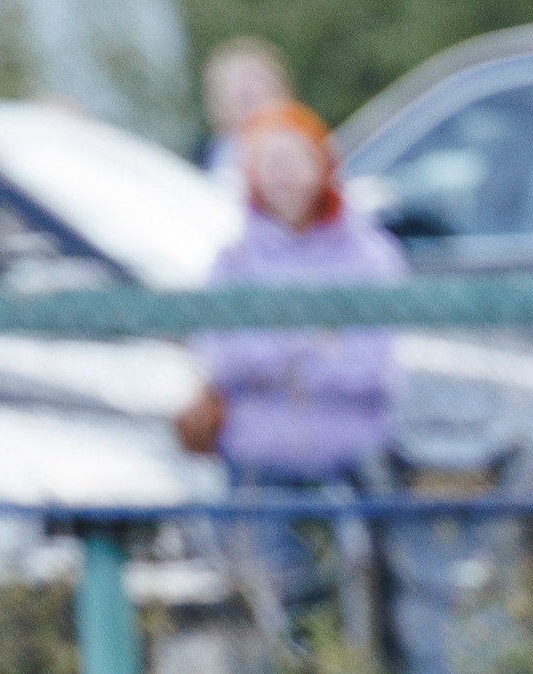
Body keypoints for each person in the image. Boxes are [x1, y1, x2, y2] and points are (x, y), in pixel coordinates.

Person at [188, 100, 406, 627]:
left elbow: (371, 369)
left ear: (323, 167)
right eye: (270, 163)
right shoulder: (233, 259)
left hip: (349, 464)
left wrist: (273, 348)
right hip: (259, 466)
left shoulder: (369, 256)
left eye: (296, 160)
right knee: (267, 608)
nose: (284, 178)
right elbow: (218, 355)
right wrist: (315, 340)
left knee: (364, 606)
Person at [197, 37, 292, 195]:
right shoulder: (207, 155)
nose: (247, 86)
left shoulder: (304, 144)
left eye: (257, 80)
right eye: (234, 81)